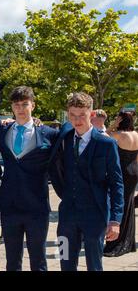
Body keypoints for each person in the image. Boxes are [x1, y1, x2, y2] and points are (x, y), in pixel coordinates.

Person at [49, 92, 124, 271]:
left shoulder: (106, 144)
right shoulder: (64, 137)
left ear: (91, 114)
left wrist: (115, 220)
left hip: (95, 216)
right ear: (68, 115)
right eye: (73, 115)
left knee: (94, 265)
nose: (77, 120)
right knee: (65, 260)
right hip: (66, 215)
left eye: (82, 115)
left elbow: (116, 183)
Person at [0, 86, 59, 271]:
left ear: (33, 106)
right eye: (16, 105)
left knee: (38, 258)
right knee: (12, 260)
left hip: (36, 206)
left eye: (24, 104)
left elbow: (69, 131)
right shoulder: (2, 132)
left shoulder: (49, 134)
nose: (20, 108)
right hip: (9, 205)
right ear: (12, 108)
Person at [103, 111, 138, 256]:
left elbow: (102, 136)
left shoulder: (118, 135)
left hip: (121, 172)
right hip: (134, 171)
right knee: (128, 204)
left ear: (121, 120)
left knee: (118, 205)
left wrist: (112, 125)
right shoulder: (136, 134)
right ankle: (128, 242)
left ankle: (117, 243)